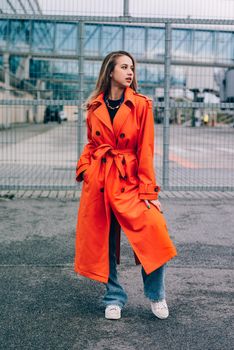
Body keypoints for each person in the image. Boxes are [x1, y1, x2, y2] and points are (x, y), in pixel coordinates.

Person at [75, 50, 177, 320]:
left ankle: (157, 295)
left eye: (131, 67)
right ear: (110, 72)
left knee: (154, 231)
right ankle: (113, 297)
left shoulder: (141, 104)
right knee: (104, 241)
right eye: (123, 67)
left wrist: (149, 192)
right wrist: (85, 168)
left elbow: (146, 149)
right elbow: (91, 144)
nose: (130, 72)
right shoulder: (94, 106)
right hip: (101, 179)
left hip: (131, 179)